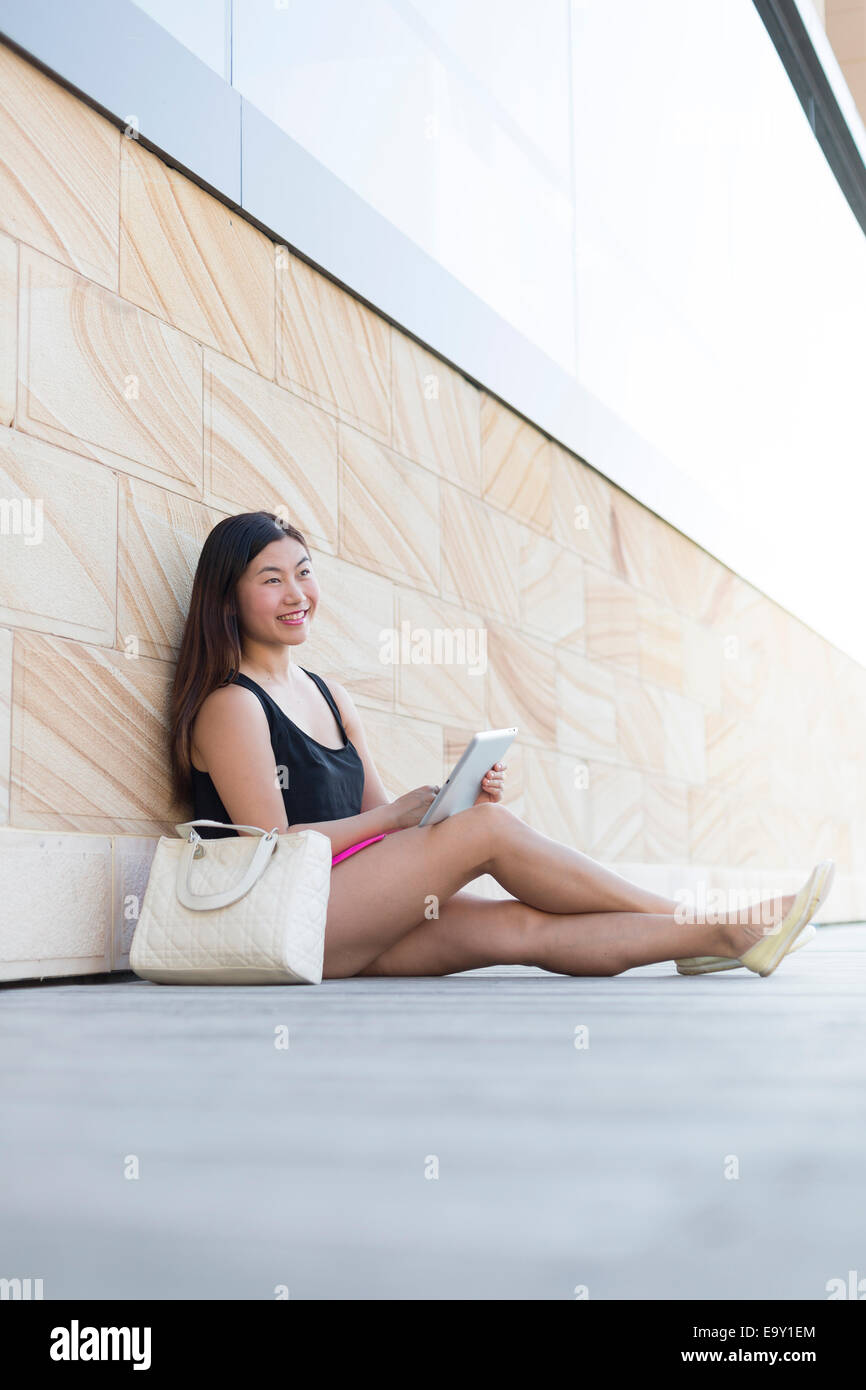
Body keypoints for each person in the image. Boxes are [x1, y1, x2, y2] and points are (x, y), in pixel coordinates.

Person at [169, 511, 831, 981]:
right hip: (291, 921)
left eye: (303, 572)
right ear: (228, 601)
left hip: (356, 913)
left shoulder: (329, 695)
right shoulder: (231, 706)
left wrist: (440, 811)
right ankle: (710, 917)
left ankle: (719, 938)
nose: (297, 593)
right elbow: (274, 850)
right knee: (490, 832)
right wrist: (403, 818)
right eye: (271, 579)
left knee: (524, 931)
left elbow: (382, 826)